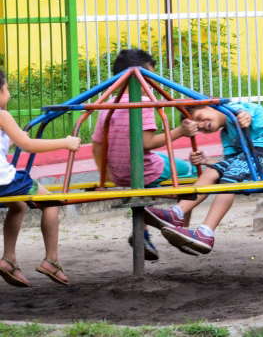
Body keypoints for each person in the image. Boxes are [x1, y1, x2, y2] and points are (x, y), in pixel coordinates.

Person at [143, 101, 263, 255]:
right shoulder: (226, 134)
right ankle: (176, 213)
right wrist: (206, 161)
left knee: (230, 179)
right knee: (211, 172)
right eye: (198, 127)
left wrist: (244, 117)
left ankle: (205, 233)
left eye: (199, 117)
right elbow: (230, 164)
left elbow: (243, 113)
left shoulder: (231, 108)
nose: (201, 125)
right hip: (255, 158)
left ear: (209, 105)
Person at [92, 48, 200, 261]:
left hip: (118, 174)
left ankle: (142, 235)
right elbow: (146, 143)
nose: (151, 85)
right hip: (147, 171)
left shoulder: (107, 105)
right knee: (191, 174)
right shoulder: (144, 104)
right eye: (149, 79)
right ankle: (181, 230)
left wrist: (106, 176)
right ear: (137, 79)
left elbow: (96, 147)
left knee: (144, 183)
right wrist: (180, 131)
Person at [0, 69, 81, 287]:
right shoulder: (2, 115)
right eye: (7, 89)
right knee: (51, 202)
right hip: (4, 181)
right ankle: (51, 261)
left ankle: (9, 259)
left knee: (18, 206)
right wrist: (65, 143)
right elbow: (29, 145)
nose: (9, 94)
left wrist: (13, 139)